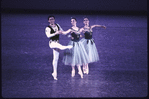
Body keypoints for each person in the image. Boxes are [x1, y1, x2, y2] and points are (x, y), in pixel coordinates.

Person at [45, 15, 72, 80]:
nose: (51, 20)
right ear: (48, 21)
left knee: (56, 59)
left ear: (54, 20)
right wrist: (56, 33)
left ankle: (54, 73)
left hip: (57, 42)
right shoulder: (47, 28)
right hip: (52, 43)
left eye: (52, 19)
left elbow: (63, 32)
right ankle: (68, 47)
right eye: (50, 19)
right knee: (61, 47)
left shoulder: (57, 25)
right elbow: (48, 36)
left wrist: (69, 35)